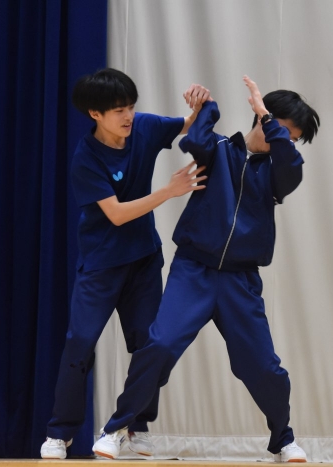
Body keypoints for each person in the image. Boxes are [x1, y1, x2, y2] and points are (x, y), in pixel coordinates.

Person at [91, 75, 320, 463]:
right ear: (265, 118)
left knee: (264, 367)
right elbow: (194, 140)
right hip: (193, 271)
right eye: (286, 131)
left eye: (292, 137)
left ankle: (283, 439)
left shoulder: (276, 173)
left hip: (240, 280)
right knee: (159, 345)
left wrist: (269, 119)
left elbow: (292, 167)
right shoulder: (219, 150)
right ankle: (117, 428)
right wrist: (204, 107)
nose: (287, 140)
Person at [40, 68, 210, 459]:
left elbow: (189, 123)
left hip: (144, 260)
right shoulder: (86, 158)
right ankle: (59, 433)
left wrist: (200, 103)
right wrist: (168, 191)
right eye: (119, 110)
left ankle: (137, 424)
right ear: (95, 114)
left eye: (131, 106)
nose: (129, 115)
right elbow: (116, 214)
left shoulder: (145, 127)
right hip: (101, 264)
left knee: (149, 345)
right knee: (79, 343)